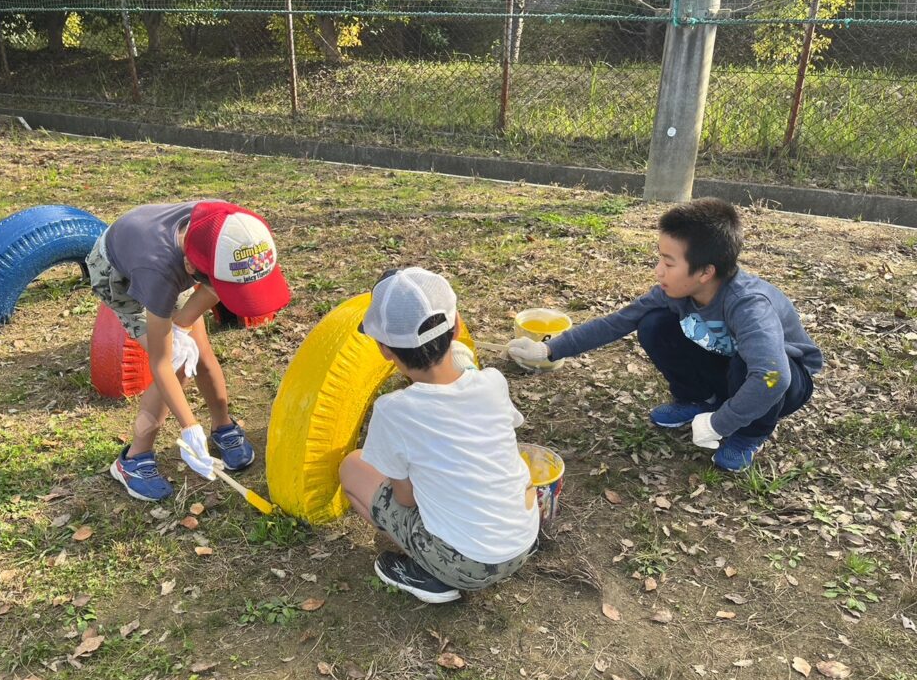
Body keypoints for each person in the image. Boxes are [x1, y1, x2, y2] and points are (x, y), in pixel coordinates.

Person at [506, 198, 822, 472]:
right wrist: (549, 351)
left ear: (705, 272)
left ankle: (751, 433)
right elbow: (616, 323)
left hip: (782, 382)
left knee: (752, 367)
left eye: (668, 263)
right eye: (660, 258)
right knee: (653, 324)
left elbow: (773, 377)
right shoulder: (674, 293)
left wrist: (719, 424)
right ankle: (698, 400)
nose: (658, 270)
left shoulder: (749, 306)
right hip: (730, 367)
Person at [339, 267, 539, 604]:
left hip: (468, 566)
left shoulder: (393, 411)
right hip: (523, 538)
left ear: (384, 349)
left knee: (351, 467)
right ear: (458, 325)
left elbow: (406, 500)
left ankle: (427, 572)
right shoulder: (492, 381)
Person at [86, 200, 290, 500]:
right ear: (194, 268)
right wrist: (189, 427)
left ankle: (223, 425)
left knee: (199, 351)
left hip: (178, 258)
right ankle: (133, 460)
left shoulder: (234, 230)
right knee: (178, 363)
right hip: (118, 273)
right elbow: (160, 363)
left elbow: (215, 286)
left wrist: (181, 326)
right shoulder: (157, 272)